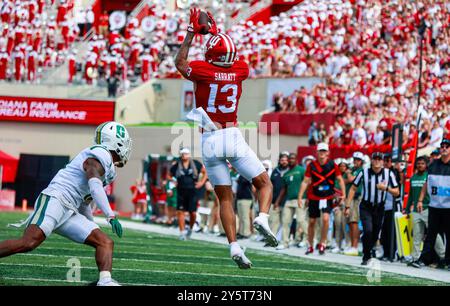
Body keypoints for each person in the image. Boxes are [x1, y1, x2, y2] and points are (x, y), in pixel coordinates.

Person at [175, 8, 278, 269]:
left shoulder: (201, 69)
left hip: (209, 140)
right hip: (231, 134)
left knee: (225, 199)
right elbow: (226, 54)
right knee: (264, 184)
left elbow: (181, 62)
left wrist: (192, 33)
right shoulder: (241, 69)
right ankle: (263, 218)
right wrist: (215, 30)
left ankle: (234, 245)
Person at [0, 121, 132, 286]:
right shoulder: (100, 153)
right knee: (29, 242)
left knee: (104, 241)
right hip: (56, 199)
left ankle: (105, 281)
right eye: (125, 142)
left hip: (70, 209)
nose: (127, 147)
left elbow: (85, 201)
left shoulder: (109, 168)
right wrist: (110, 216)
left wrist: (91, 227)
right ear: (116, 141)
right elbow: (95, 185)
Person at [346, 152, 400, 265]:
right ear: (371, 161)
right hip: (366, 206)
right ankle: (366, 256)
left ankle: (367, 245)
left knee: (375, 234)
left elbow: (397, 192)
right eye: (374, 159)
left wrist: (386, 188)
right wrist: (347, 206)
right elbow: (353, 188)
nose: (377, 161)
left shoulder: (388, 173)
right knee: (368, 230)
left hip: (380, 207)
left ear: (382, 161)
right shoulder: (363, 172)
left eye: (379, 159)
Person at [297, 143, 346, 255]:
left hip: (327, 196)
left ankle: (323, 243)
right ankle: (310, 245)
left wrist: (343, 194)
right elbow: (305, 181)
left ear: (328, 152)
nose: (322, 153)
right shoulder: (312, 165)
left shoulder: (332, 164)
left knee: (325, 219)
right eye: (320, 151)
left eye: (324, 151)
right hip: (314, 196)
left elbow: (340, 180)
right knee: (312, 221)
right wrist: (300, 196)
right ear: (317, 152)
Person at [407, 156, 445, 268]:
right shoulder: (413, 178)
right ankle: (415, 258)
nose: (420, 165)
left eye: (422, 163)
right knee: (416, 236)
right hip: (415, 211)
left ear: (426, 165)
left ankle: (443, 257)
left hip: (427, 209)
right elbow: (410, 195)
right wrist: (407, 207)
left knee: (435, 235)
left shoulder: (429, 177)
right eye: (418, 163)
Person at [418, 138, 450, 270]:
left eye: (447, 146)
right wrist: (420, 200)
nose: (444, 148)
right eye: (442, 146)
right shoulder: (433, 165)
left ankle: (447, 261)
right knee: (430, 234)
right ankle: (423, 259)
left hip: (449, 207)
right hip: (435, 206)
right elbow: (426, 183)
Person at [170, 147, 207, 240]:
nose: (184, 155)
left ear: (189, 154)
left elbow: (205, 172)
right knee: (180, 211)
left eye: (186, 154)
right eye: (183, 154)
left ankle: (190, 229)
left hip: (192, 191)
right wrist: (174, 180)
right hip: (181, 191)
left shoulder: (196, 164)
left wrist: (201, 182)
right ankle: (182, 232)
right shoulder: (177, 164)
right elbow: (169, 175)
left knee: (193, 213)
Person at [274, 153, 307, 250]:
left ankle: (308, 239)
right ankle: (284, 242)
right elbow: (283, 189)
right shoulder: (287, 173)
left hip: (300, 199)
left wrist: (308, 198)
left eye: (293, 158)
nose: (291, 160)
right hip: (289, 200)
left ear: (296, 159)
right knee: (285, 222)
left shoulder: (301, 170)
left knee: (301, 220)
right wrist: (277, 201)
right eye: (290, 159)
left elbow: (308, 183)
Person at [343, 152, 364, 256]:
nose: (356, 161)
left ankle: (355, 247)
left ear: (361, 162)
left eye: (358, 160)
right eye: (355, 159)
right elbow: (344, 181)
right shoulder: (355, 170)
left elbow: (351, 179)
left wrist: (348, 173)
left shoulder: (360, 170)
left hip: (357, 198)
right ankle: (352, 245)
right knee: (351, 222)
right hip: (351, 198)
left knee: (354, 221)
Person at [268, 152, 289, 237]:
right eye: (282, 160)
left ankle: (282, 239)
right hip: (274, 200)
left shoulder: (291, 171)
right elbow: (270, 185)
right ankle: (272, 239)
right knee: (273, 221)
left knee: (285, 221)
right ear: (279, 161)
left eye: (285, 160)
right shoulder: (275, 170)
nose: (284, 162)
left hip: (286, 201)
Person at [236, 174, 255, 239]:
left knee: (245, 217)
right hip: (239, 198)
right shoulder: (240, 175)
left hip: (246, 198)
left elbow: (248, 183)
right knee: (241, 217)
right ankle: (241, 232)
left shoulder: (248, 175)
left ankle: (246, 233)